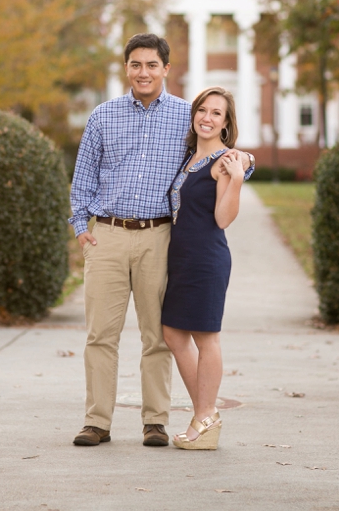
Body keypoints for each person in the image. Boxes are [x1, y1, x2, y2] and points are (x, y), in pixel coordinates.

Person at [68, 34, 254, 448]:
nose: (143, 72)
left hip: (159, 237)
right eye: (136, 64)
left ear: (166, 69)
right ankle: (97, 421)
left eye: (152, 64)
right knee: (101, 335)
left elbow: (218, 149)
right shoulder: (103, 116)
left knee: (158, 335)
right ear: (127, 68)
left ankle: (155, 421)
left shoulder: (184, 116)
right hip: (108, 236)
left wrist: (245, 161)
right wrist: (81, 226)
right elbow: (82, 179)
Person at [161, 86, 244, 451]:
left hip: (206, 259)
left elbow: (223, 218)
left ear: (226, 124)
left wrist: (238, 179)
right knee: (174, 335)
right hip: (181, 258)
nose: (207, 118)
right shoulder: (190, 157)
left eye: (216, 114)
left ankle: (205, 419)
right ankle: (205, 414)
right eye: (202, 111)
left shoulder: (224, 163)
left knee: (205, 338)